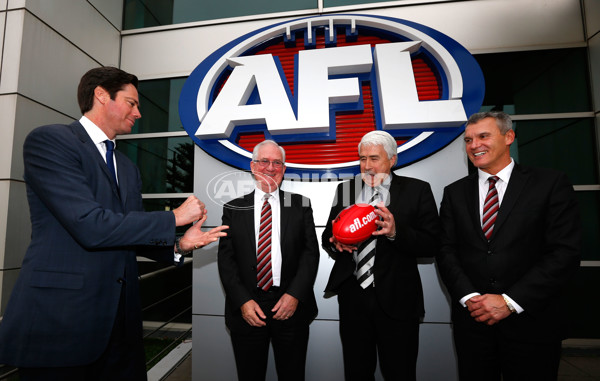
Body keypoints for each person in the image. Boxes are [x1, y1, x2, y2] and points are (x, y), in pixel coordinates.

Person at [0, 67, 228, 381]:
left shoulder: (127, 166)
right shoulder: (51, 141)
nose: (139, 113)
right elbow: (90, 225)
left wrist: (179, 244)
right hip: (61, 324)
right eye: (131, 103)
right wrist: (173, 218)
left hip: (121, 329)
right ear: (101, 96)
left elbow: (126, 230)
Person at [436, 111, 581, 380]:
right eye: (468, 140)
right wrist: (470, 299)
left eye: (483, 136)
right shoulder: (454, 192)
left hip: (533, 323)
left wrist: (510, 301)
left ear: (509, 137)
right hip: (474, 324)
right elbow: (446, 250)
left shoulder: (549, 184)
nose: (474, 145)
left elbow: (564, 252)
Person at [321, 130, 441, 381]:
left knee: (400, 371)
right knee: (356, 372)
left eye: (374, 158)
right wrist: (335, 243)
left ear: (392, 159)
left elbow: (433, 243)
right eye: (362, 159)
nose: (367, 166)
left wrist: (396, 232)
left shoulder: (417, 190)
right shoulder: (347, 189)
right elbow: (327, 236)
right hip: (353, 297)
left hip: (398, 299)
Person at [217, 140, 319, 381]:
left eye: (277, 163)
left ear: (284, 169)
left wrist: (294, 295)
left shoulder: (300, 205)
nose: (270, 168)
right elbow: (226, 259)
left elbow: (310, 253)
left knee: (292, 375)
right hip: (248, 308)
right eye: (264, 161)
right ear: (253, 166)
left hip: (290, 305)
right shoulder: (233, 207)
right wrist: (242, 301)